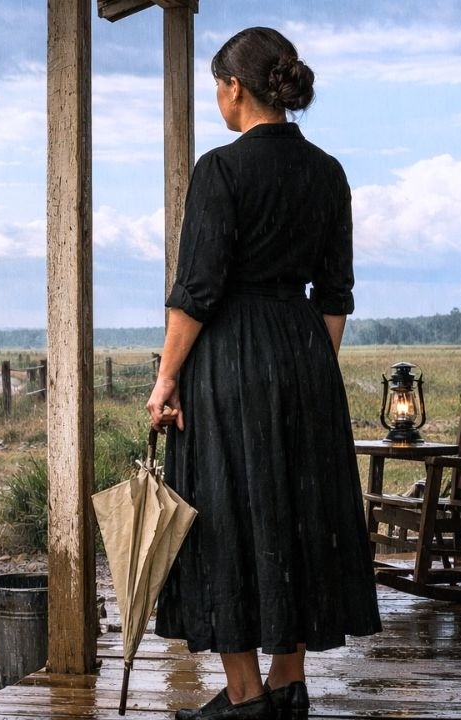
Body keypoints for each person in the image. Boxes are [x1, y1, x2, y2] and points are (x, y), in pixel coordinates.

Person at [146, 28, 381, 720]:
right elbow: (335, 294)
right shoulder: (328, 172)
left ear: (233, 88)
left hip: (228, 364)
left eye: (215, 87)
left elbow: (197, 291)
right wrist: (306, 364)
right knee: (297, 518)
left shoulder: (221, 171)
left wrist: (165, 378)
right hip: (306, 354)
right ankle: (288, 684)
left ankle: (247, 697)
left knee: (227, 518)